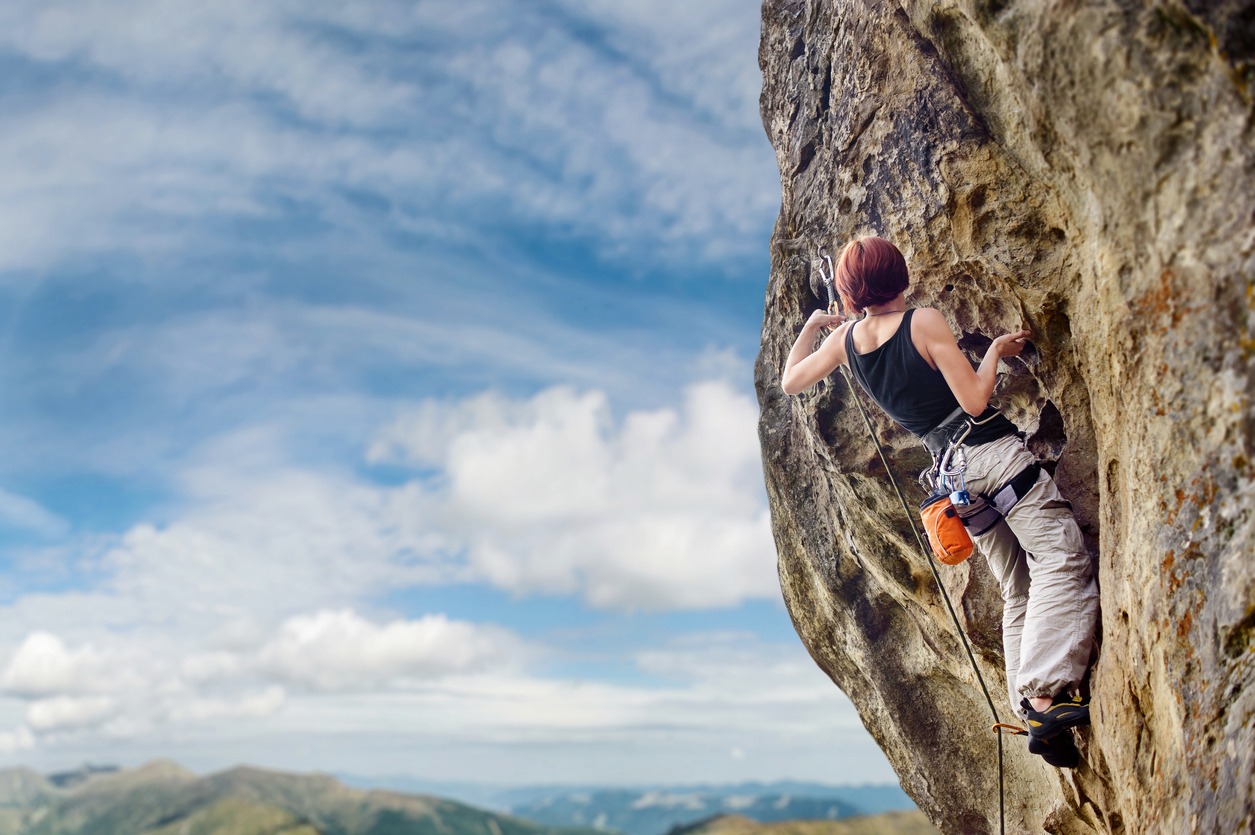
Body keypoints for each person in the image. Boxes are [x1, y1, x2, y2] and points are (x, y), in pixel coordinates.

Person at [780, 236, 1099, 768]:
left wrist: (815, 326)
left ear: (851, 291)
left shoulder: (847, 343)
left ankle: (1027, 709)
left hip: (952, 480)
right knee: (1060, 558)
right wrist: (995, 350)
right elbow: (974, 401)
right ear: (899, 276)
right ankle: (1045, 697)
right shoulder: (922, 322)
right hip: (991, 455)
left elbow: (791, 381)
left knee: (1016, 585)